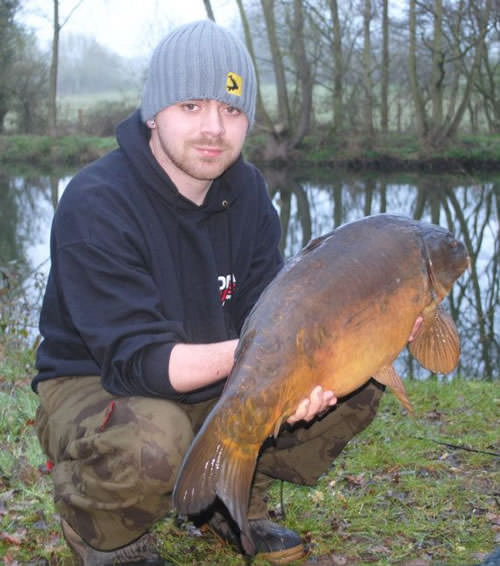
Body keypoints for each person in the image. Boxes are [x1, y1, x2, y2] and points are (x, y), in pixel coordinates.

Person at [32, 19, 384, 566]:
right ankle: (103, 531)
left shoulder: (248, 194)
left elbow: (266, 309)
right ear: (155, 112)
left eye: (232, 110)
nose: (214, 128)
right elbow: (135, 362)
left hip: (217, 374)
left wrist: (313, 364)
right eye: (192, 107)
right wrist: (276, 358)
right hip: (97, 382)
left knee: (354, 379)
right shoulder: (96, 203)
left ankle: (232, 499)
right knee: (156, 438)